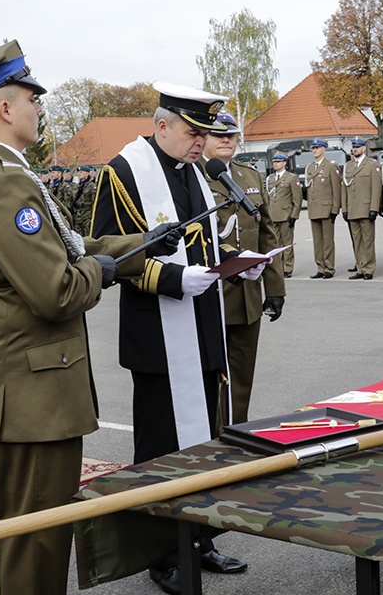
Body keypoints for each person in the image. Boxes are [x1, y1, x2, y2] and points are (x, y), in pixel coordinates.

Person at [0, 40, 175, 595]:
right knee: (34, 541)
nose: (38, 108)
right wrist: (108, 271)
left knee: (32, 535)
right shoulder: (5, 182)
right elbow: (59, 289)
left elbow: (64, 247)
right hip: (31, 392)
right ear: (4, 108)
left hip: (22, 388)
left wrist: (140, 244)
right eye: (31, 98)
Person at [91, 82, 251, 595]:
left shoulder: (197, 172)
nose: (202, 141)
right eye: (192, 131)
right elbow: (109, 257)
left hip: (201, 326)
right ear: (161, 125)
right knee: (162, 449)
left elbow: (201, 243)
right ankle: (163, 552)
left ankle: (200, 538)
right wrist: (174, 278)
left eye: (205, 132)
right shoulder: (122, 172)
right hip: (159, 334)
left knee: (204, 439)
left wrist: (234, 266)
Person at [202, 112, 285, 424]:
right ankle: (210, 439)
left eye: (232, 135)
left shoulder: (249, 175)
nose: (226, 140)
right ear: (203, 138)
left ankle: (236, 434)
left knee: (242, 375)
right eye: (218, 135)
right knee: (211, 376)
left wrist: (275, 289)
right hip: (210, 294)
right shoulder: (194, 177)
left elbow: (267, 234)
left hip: (247, 296)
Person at [341, 138, 381, 280]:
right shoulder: (349, 166)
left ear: (364, 148)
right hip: (352, 209)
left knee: (367, 241)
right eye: (353, 147)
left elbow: (376, 189)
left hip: (365, 208)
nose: (355, 149)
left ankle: (369, 268)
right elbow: (344, 189)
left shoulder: (371, 165)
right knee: (356, 241)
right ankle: (360, 266)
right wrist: (344, 208)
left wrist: (374, 208)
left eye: (358, 147)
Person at [303, 140, 341, 278]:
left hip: (326, 209)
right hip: (314, 209)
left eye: (317, 148)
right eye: (313, 148)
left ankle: (329, 268)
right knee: (318, 241)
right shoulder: (310, 167)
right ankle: (320, 267)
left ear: (324, 149)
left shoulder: (330, 166)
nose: (314, 150)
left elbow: (336, 189)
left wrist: (335, 209)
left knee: (327, 241)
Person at [265, 153, 302, 277]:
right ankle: (278, 267)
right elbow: (268, 198)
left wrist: (294, 216)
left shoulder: (291, 178)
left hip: (286, 215)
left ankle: (288, 268)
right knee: (275, 244)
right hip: (272, 215)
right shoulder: (270, 178)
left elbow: (297, 199)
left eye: (279, 161)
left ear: (285, 163)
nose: (275, 164)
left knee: (287, 244)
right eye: (274, 161)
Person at [71, 164, 96, 235]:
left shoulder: (92, 186)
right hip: (77, 217)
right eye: (79, 172)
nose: (79, 174)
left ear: (87, 173)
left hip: (87, 218)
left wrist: (93, 218)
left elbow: (94, 202)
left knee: (87, 239)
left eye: (81, 172)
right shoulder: (77, 186)